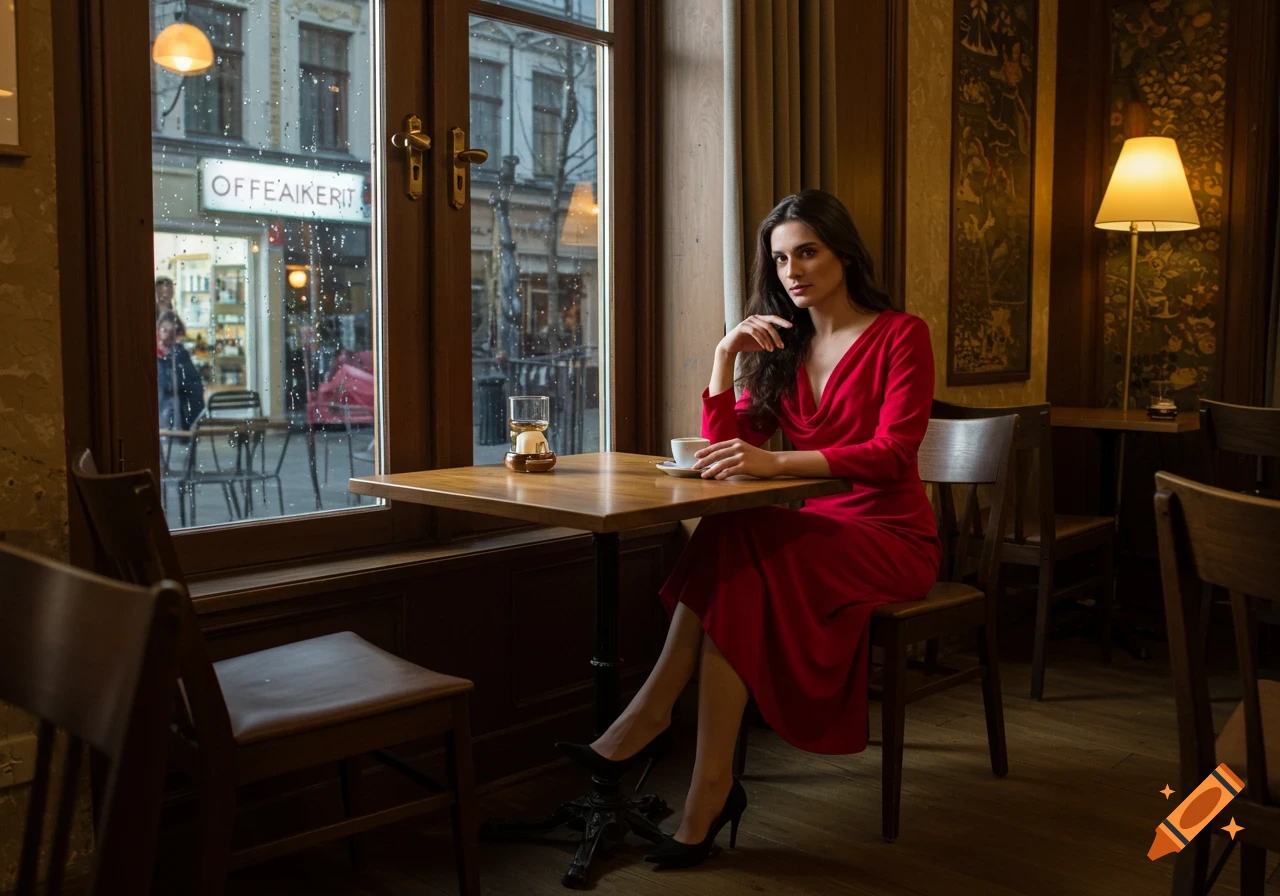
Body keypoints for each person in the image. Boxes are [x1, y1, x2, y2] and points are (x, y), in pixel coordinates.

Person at [557, 190, 941, 868]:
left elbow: (893, 454)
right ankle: (706, 785)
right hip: (816, 535)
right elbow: (720, 453)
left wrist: (776, 461)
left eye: (808, 252)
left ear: (843, 253)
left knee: (740, 538)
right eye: (781, 258)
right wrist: (724, 353)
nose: (793, 270)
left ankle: (653, 719)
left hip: (891, 538)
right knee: (737, 538)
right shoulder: (784, 347)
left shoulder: (899, 334)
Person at [157, 310, 205, 431]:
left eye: (171, 333)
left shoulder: (180, 355)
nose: (166, 337)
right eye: (164, 331)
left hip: (178, 415)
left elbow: (193, 386)